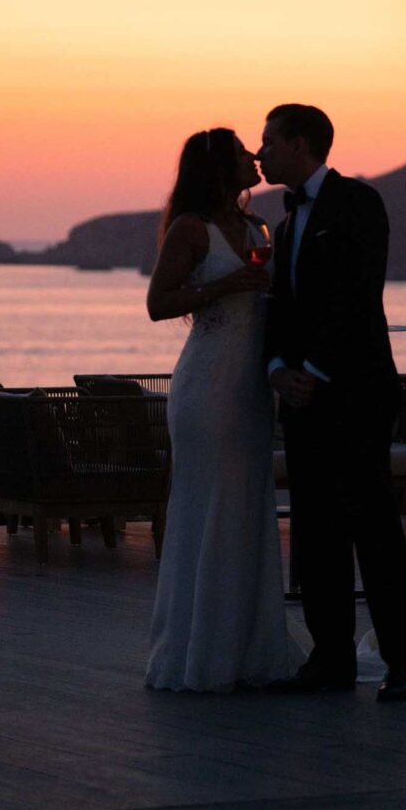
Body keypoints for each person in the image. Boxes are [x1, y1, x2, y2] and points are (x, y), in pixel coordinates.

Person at [258, 103, 406, 701]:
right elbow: (280, 308)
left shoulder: (358, 203)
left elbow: (357, 295)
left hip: (355, 395)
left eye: (269, 141)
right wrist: (278, 369)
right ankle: (331, 658)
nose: (261, 152)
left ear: (300, 144)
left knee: (373, 527)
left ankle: (403, 660)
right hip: (303, 402)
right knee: (316, 531)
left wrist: (314, 371)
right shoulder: (282, 226)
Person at [144, 127, 294, 692]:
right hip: (207, 386)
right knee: (206, 508)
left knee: (247, 508)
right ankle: (200, 651)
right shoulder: (191, 228)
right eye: (241, 154)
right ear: (218, 168)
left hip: (252, 388)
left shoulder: (257, 227)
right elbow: (158, 303)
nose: (254, 158)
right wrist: (226, 285)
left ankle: (247, 649)